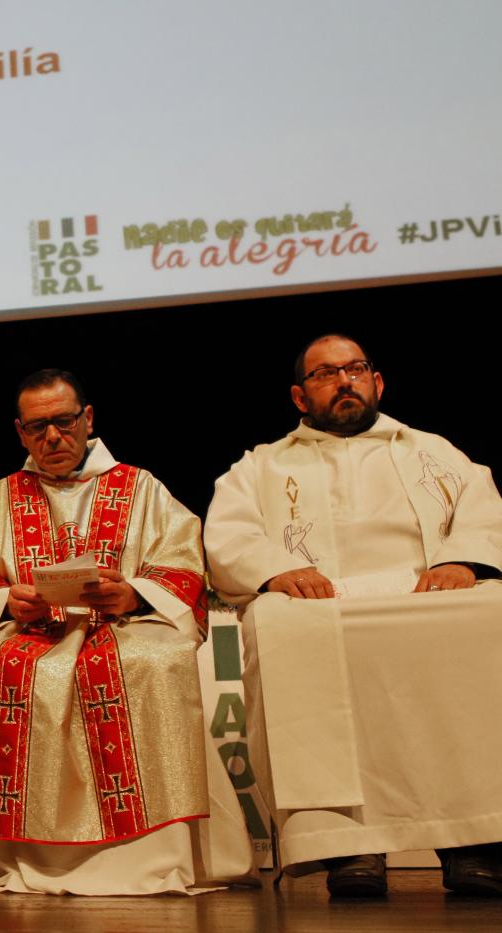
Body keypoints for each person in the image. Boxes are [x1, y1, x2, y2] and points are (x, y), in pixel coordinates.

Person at [0, 369, 251, 895]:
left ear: (88, 419)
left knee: (153, 663)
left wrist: (135, 592)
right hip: (27, 633)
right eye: (37, 428)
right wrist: (6, 598)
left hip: (123, 627)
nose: (52, 437)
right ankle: (14, 855)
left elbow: (184, 566)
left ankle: (147, 858)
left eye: (62, 422)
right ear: (20, 432)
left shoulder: (141, 488)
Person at [204, 334, 502, 897]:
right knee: (279, 623)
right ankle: (344, 844)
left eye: (355, 369)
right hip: (322, 598)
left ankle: (473, 840)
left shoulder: (430, 449)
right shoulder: (263, 465)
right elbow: (230, 532)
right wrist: (276, 571)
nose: (343, 381)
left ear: (377, 381)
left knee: (490, 609)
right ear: (299, 396)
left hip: (423, 589)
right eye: (324, 374)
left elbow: (481, 507)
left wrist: (461, 560)